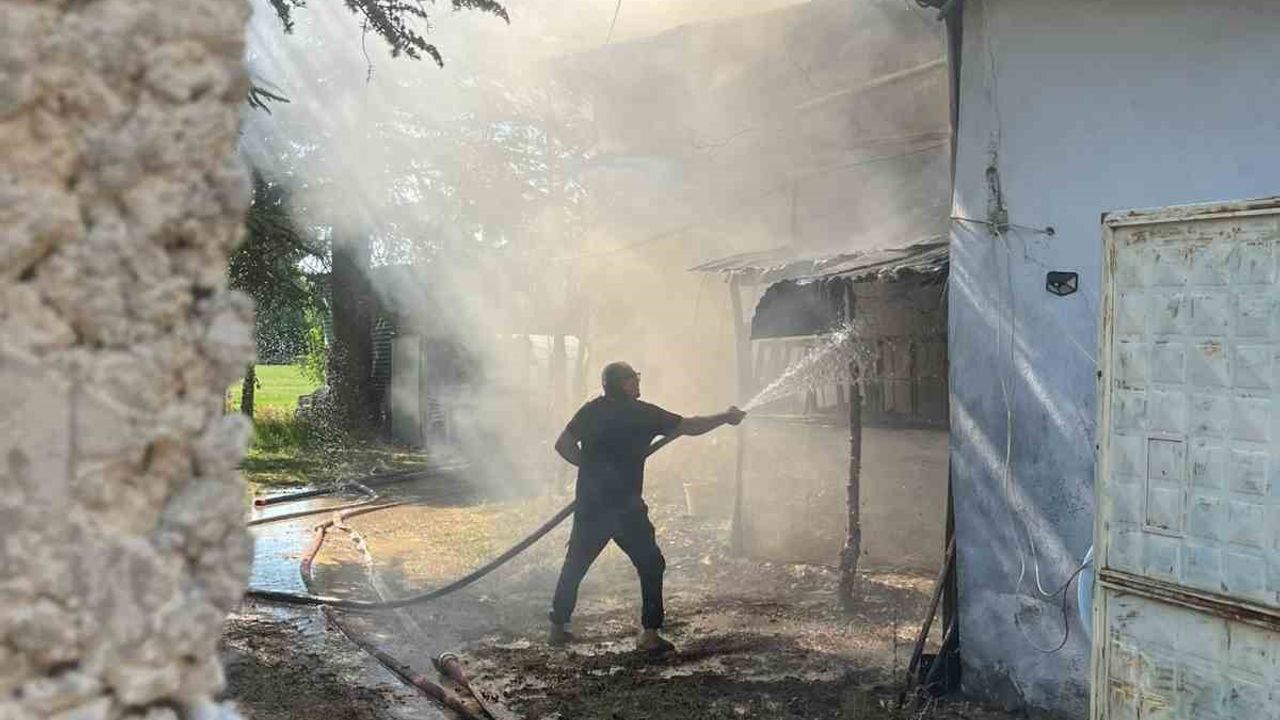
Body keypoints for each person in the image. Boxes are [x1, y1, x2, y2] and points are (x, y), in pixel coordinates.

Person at [548, 361, 746, 654]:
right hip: (626, 507)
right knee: (651, 564)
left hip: (592, 504)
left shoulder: (591, 410)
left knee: (575, 565)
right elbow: (690, 426)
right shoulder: (642, 414)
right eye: (633, 377)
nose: (638, 381)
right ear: (622, 383)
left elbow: (563, 444)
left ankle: (557, 628)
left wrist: (592, 470)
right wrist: (726, 417)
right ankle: (649, 634)